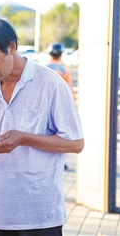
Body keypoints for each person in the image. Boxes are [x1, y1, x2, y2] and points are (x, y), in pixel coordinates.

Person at [0, 16, 85, 236]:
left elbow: (76, 143)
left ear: (12, 47)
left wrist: (24, 138)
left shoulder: (51, 84)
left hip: (40, 216)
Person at [46, 42, 77, 170]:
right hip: (61, 107)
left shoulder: (44, 67)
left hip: (46, 105)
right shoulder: (64, 70)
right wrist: (73, 105)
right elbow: (69, 89)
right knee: (63, 134)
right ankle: (62, 161)